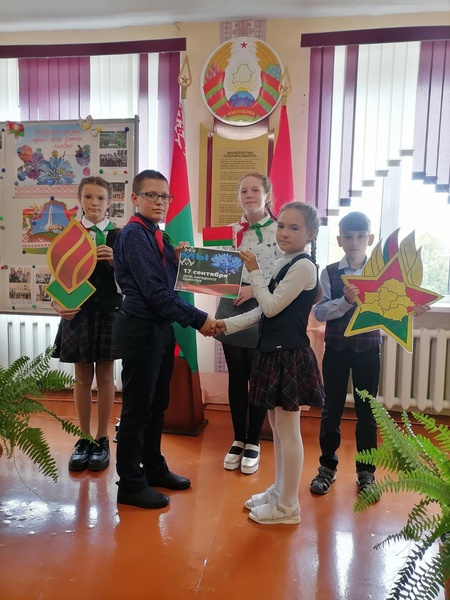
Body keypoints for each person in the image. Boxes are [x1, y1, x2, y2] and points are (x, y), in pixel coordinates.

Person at [213, 202, 324, 525]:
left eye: (294, 228)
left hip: (289, 355)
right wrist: (224, 325)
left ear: (310, 234)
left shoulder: (304, 267)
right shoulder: (285, 262)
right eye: (282, 226)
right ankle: (278, 491)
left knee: (288, 432)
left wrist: (254, 272)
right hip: (272, 352)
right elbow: (262, 312)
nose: (284, 233)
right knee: (276, 428)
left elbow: (271, 306)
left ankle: (288, 506)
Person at [113, 169, 215, 510]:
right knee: (137, 409)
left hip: (158, 329)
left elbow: (167, 282)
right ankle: (130, 484)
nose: (160, 202)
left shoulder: (157, 235)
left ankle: (153, 468)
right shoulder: (133, 235)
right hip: (141, 328)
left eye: (165, 196)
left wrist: (176, 260)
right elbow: (156, 293)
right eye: (152, 195)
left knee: (157, 405)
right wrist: (201, 321)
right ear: (135, 198)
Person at [52, 176, 121, 473]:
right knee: (81, 377)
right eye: (89, 197)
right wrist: (57, 305)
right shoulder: (70, 234)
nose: (94, 203)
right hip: (78, 313)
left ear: (109, 202)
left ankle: (102, 438)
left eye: (100, 198)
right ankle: (83, 438)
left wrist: (117, 262)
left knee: (105, 374)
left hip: (109, 311)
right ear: (79, 199)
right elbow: (57, 275)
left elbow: (131, 282)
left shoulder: (119, 236)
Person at [215, 173, 282, 475]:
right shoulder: (229, 231)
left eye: (255, 190)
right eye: (244, 190)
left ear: (267, 195)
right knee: (236, 377)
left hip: (263, 305)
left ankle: (254, 440)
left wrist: (253, 290)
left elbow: (284, 273)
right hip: (231, 305)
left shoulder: (280, 230)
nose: (249, 195)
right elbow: (215, 269)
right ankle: (238, 438)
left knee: (258, 378)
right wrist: (188, 257)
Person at [309, 211, 380, 495]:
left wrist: (413, 308)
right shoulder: (328, 273)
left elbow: (395, 307)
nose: (354, 242)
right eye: (348, 237)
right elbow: (319, 312)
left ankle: (366, 472)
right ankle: (327, 467)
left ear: (369, 239)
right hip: (336, 350)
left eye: (360, 236)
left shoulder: (381, 273)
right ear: (340, 240)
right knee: (331, 410)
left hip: (368, 350)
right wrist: (346, 301)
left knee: (367, 413)